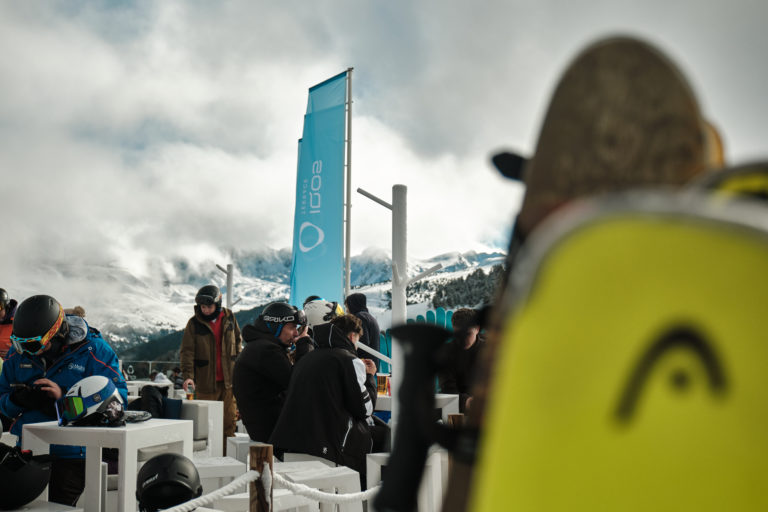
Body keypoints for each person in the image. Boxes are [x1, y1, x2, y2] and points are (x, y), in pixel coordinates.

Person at [0, 294, 127, 506]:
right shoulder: (18, 353)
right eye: (20, 344)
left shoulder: (93, 351)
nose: (27, 352)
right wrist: (17, 400)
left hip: (73, 453)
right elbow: (2, 399)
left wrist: (64, 399)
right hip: (29, 448)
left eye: (34, 345)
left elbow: (117, 400)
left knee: (58, 506)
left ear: (56, 333)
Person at [270, 314, 378, 486]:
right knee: (377, 438)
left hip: (289, 442)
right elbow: (365, 410)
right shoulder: (349, 360)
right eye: (357, 340)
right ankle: (364, 494)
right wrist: (370, 377)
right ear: (352, 337)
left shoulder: (308, 358)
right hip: (326, 445)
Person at [232, 302, 306, 442]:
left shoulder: (259, 345)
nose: (296, 333)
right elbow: (298, 382)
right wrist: (304, 345)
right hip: (271, 431)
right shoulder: (267, 350)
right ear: (276, 327)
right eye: (292, 328)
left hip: (264, 426)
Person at [179, 285, 242, 447]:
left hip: (228, 383)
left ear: (218, 304)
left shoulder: (229, 317)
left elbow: (238, 342)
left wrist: (239, 368)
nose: (206, 310)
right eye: (203, 307)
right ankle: (207, 458)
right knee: (206, 425)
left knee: (229, 423)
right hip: (205, 384)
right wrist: (188, 377)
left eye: (209, 306)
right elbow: (187, 352)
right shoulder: (194, 323)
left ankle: (227, 457)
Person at [437, 308, 484, 413]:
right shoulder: (446, 352)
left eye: (468, 334)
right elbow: (447, 389)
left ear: (477, 329)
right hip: (455, 404)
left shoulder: (490, 350)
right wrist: (466, 402)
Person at [345, 292, 382, 370]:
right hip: (371, 365)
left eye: (347, 307)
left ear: (353, 305)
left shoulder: (360, 317)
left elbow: (362, 343)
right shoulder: (369, 317)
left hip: (365, 366)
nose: (347, 311)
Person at [0, 288, 18, 360]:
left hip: (11, 364)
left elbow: (32, 350)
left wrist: (15, 353)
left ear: (6, 307)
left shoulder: (19, 324)